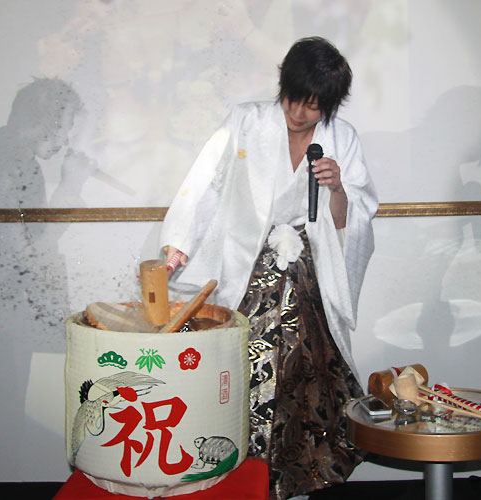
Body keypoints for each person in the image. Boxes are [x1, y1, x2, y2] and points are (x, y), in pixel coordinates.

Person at [159, 37, 377, 500]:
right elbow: (206, 184)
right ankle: (239, 478)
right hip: (246, 271)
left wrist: (337, 188)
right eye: (294, 98)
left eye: (313, 105)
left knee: (307, 375)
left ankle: (301, 475)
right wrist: (179, 243)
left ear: (329, 104)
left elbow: (350, 219)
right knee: (239, 373)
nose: (299, 113)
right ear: (284, 85)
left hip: (307, 274)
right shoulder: (245, 121)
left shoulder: (343, 138)